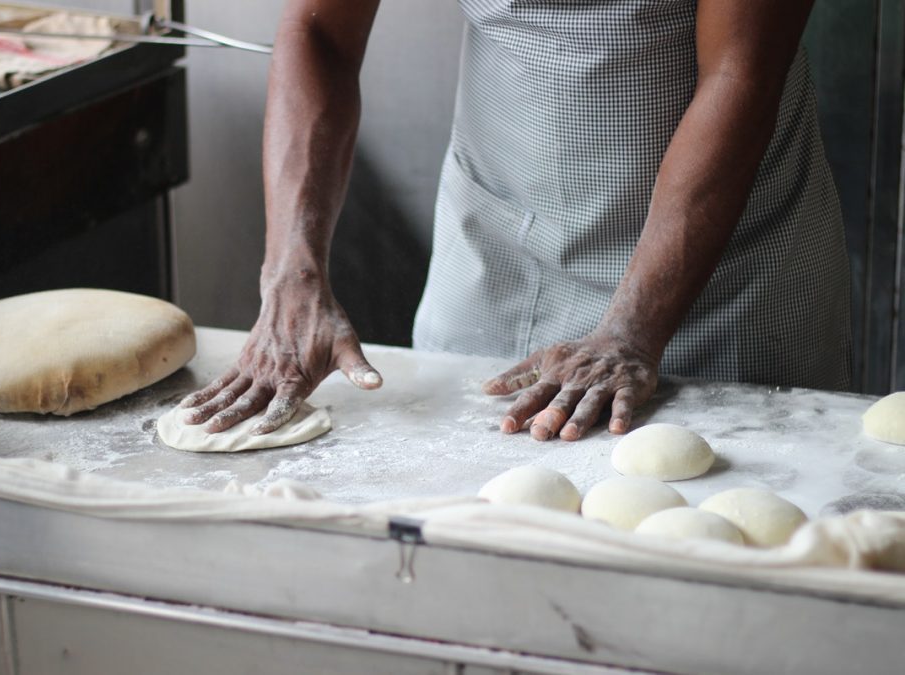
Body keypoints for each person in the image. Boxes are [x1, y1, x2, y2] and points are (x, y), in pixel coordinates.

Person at [180, 0, 850, 442]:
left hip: (720, 282)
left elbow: (741, 72)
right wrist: (291, 270)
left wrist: (632, 329)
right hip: (496, 254)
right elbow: (319, 31)